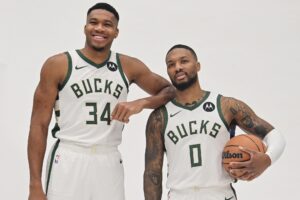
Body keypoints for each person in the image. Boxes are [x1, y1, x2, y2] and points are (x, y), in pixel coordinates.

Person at [27, 3, 175, 200]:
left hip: (109, 158)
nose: (99, 28)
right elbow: (39, 125)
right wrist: (35, 185)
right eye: (93, 23)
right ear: (85, 27)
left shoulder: (127, 65)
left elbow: (171, 90)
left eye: (107, 24)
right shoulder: (59, 64)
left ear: (116, 32)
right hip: (69, 156)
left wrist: (140, 103)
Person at [143, 44, 286, 200]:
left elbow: (274, 136)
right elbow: (152, 172)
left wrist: (267, 159)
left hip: (221, 195)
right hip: (180, 195)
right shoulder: (159, 117)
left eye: (184, 61)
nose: (177, 67)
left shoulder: (226, 106)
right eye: (171, 64)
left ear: (198, 66)